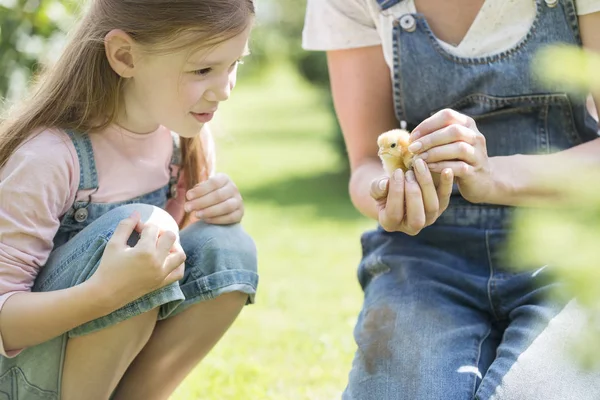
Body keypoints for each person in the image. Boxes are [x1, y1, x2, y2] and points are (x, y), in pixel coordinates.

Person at [303, 0, 600, 399]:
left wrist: (492, 176)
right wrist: (387, 197)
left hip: (567, 245)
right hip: (426, 253)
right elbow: (364, 163)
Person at [0, 1, 258, 399]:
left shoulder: (183, 141)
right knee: (145, 231)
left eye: (234, 64)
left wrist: (216, 212)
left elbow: (180, 273)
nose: (224, 89)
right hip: (21, 376)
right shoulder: (49, 158)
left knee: (229, 246)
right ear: (124, 56)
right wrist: (106, 292)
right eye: (203, 69)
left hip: (107, 373)